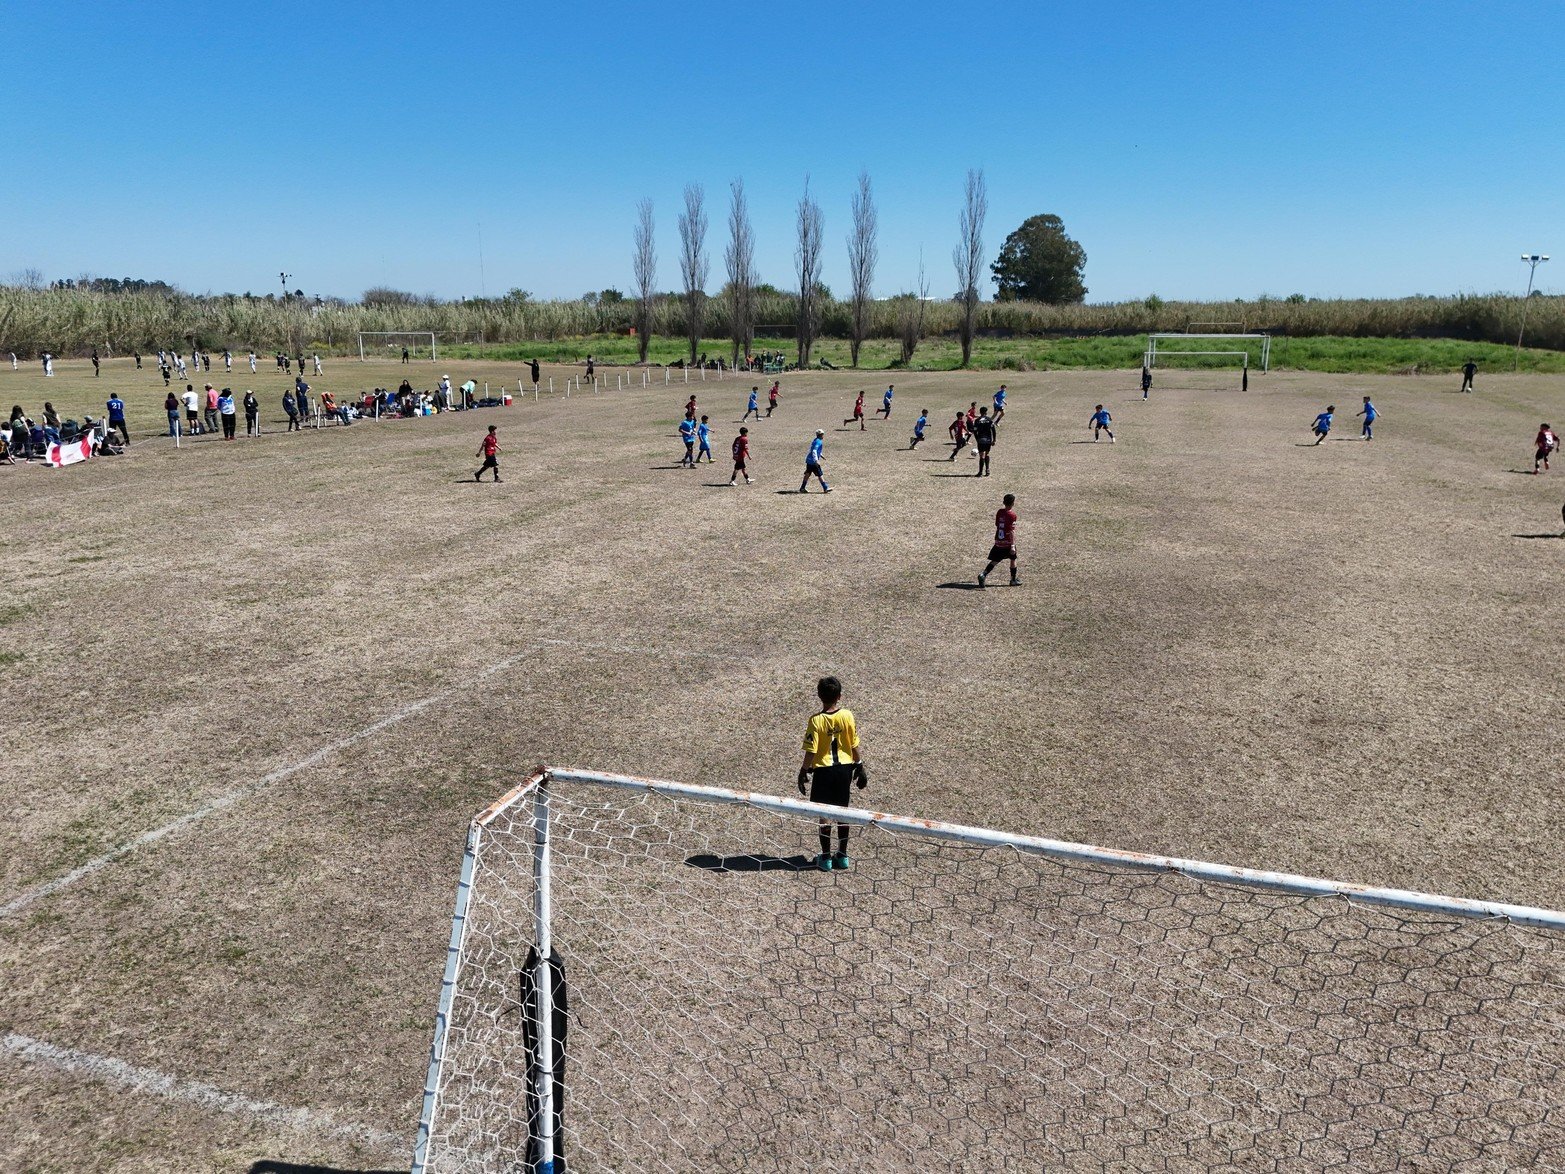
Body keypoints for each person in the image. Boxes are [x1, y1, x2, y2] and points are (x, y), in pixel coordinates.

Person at [797, 675, 867, 871]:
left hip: (824, 772)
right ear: (840, 696)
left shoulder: (816, 721)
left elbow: (811, 750)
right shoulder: (847, 716)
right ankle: (843, 856)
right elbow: (853, 744)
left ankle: (826, 858)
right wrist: (859, 765)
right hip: (844, 771)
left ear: (819, 696)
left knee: (824, 815)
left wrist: (803, 771)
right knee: (843, 812)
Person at [978, 493, 1020, 588]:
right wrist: (1012, 546)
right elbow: (1012, 531)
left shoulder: (1000, 512)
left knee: (996, 560)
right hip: (1007, 542)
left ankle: (983, 574)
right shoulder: (1012, 515)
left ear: (1003, 502)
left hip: (998, 541)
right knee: (1013, 559)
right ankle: (1013, 580)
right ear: (1013, 503)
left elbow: (997, 524)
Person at [970, 406, 997, 476]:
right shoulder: (989, 420)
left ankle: (980, 472)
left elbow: (975, 431)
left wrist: (977, 439)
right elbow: (993, 430)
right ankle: (987, 469)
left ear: (980, 412)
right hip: (988, 440)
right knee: (987, 454)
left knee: (982, 456)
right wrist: (994, 440)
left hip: (981, 440)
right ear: (986, 412)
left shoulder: (977, 420)